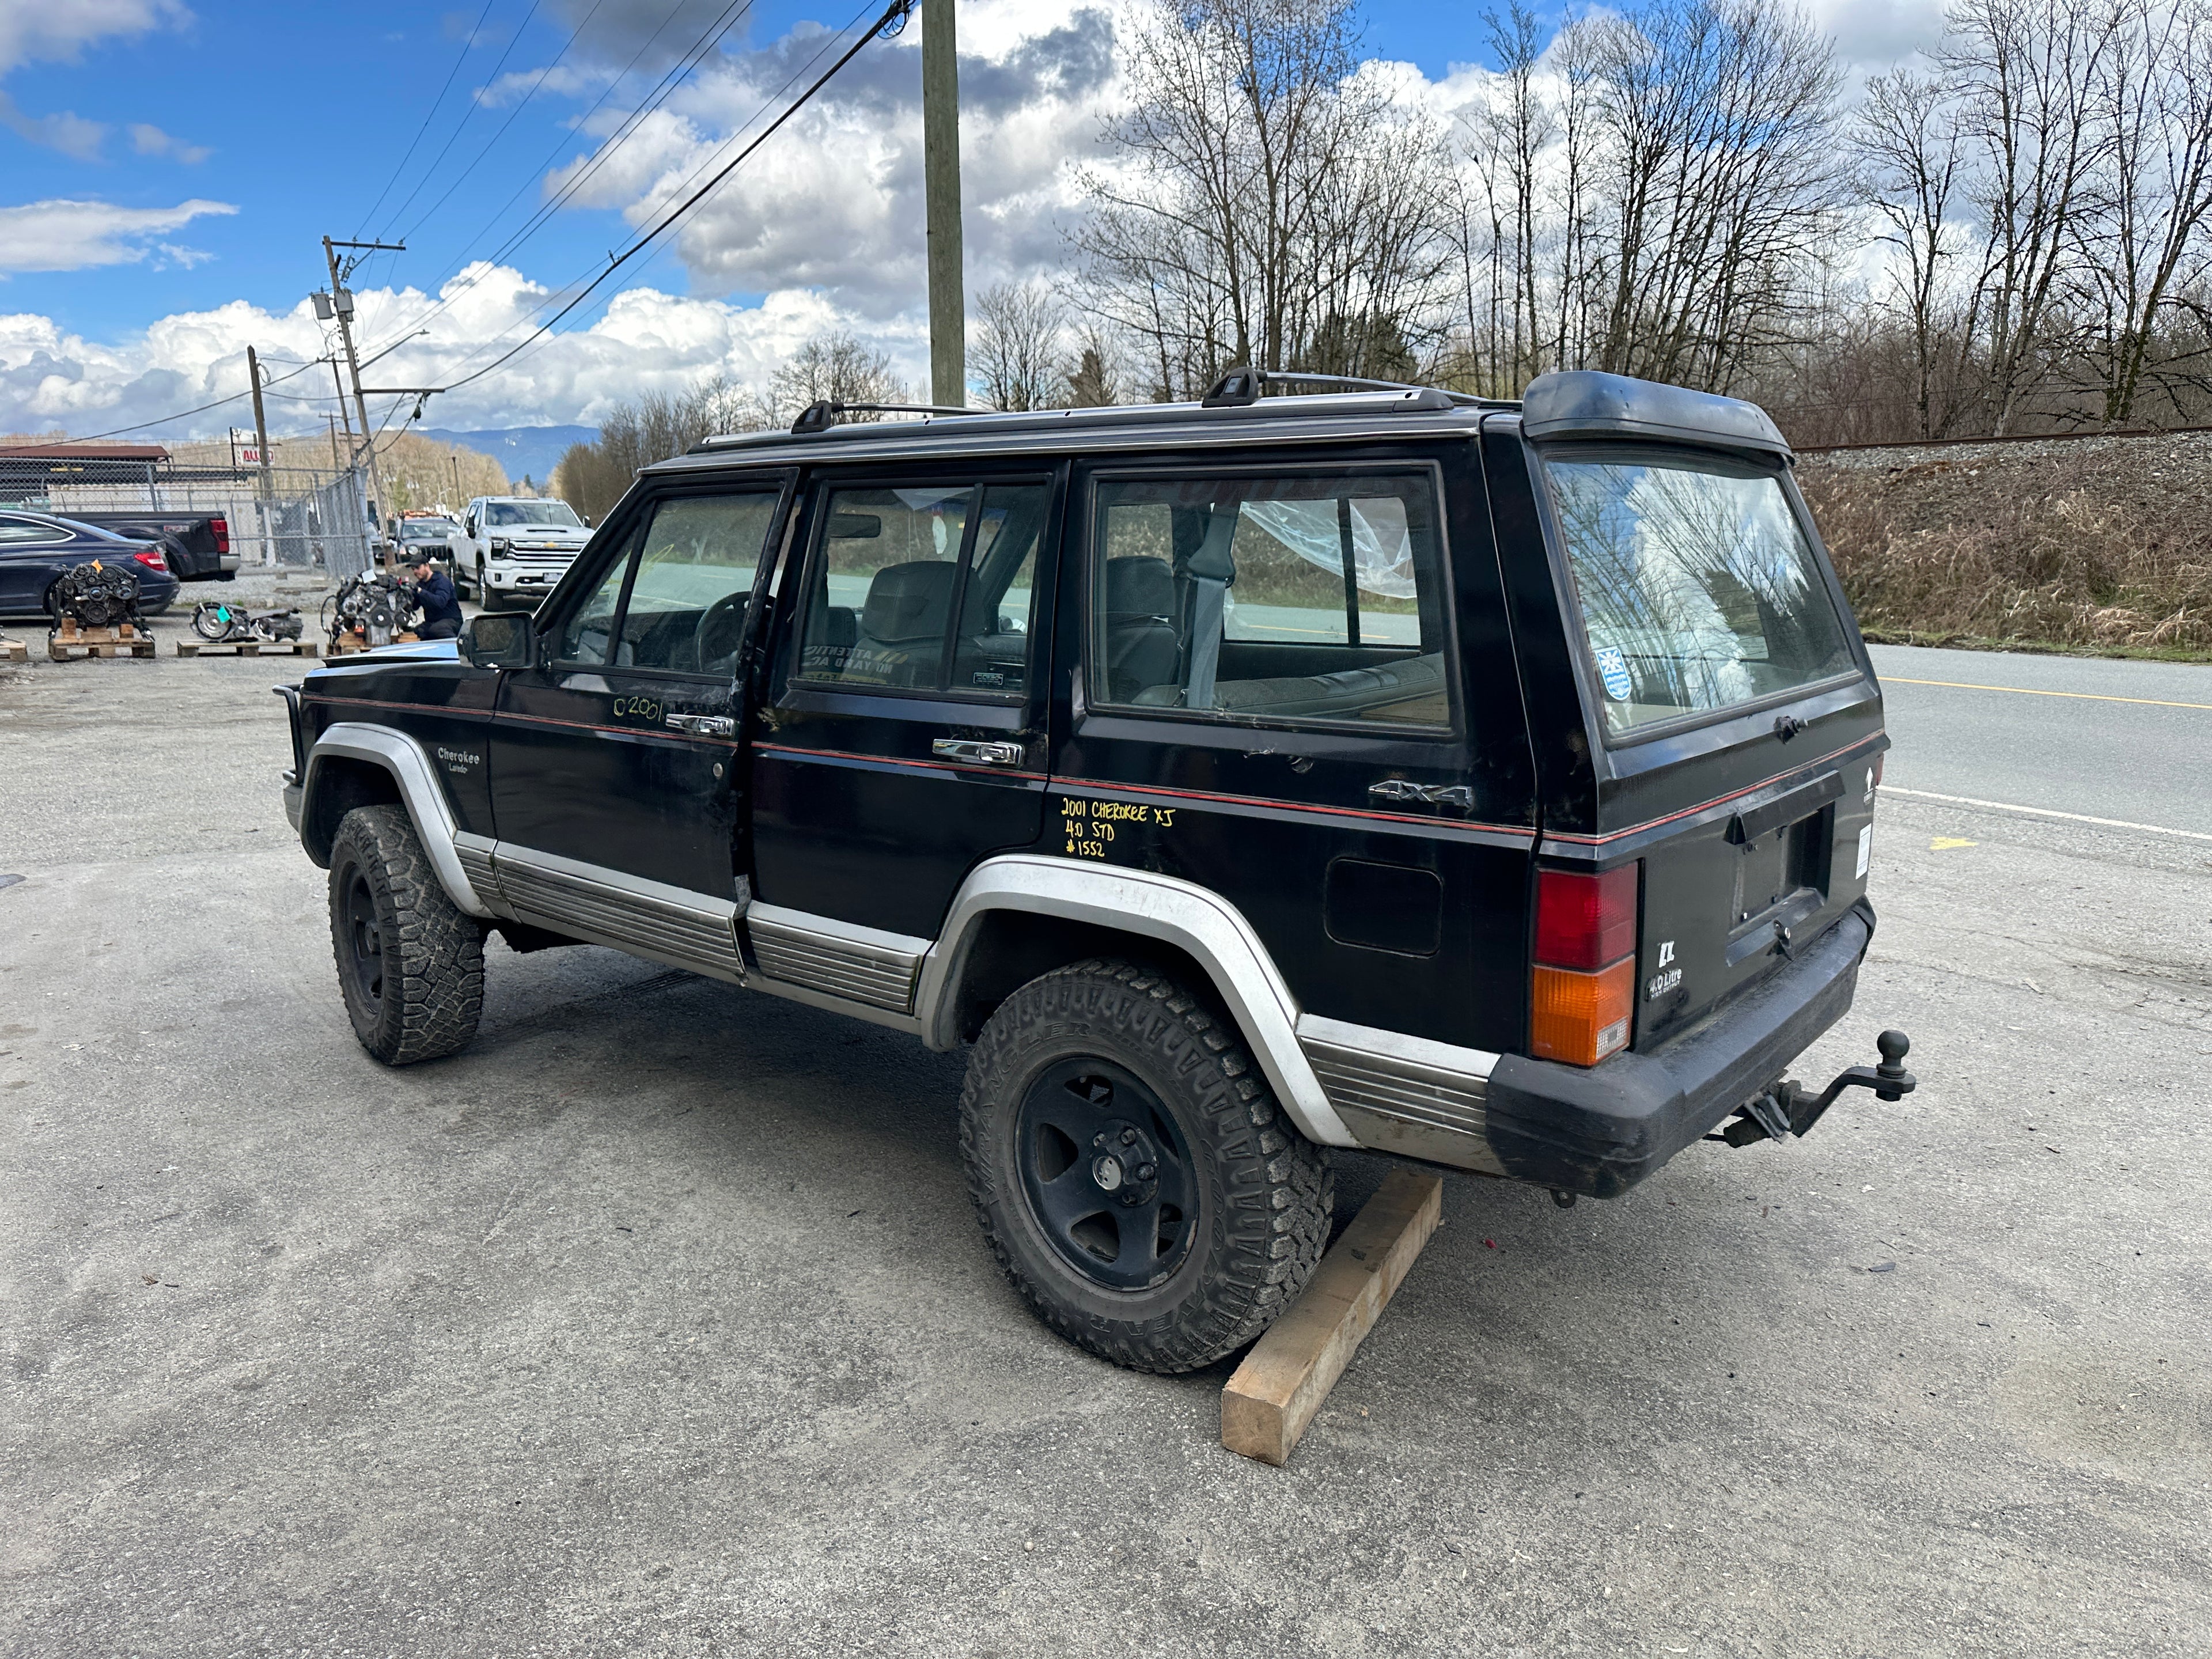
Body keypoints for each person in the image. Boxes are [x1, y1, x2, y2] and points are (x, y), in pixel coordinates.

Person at [413, 558, 463, 640]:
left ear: (427, 566)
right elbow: (414, 607)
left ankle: (454, 646)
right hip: (432, 622)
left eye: (418, 568)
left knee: (437, 630)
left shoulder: (442, 582)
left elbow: (440, 602)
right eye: (413, 569)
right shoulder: (420, 585)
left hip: (452, 621)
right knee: (419, 631)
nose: (415, 572)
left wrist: (421, 592)